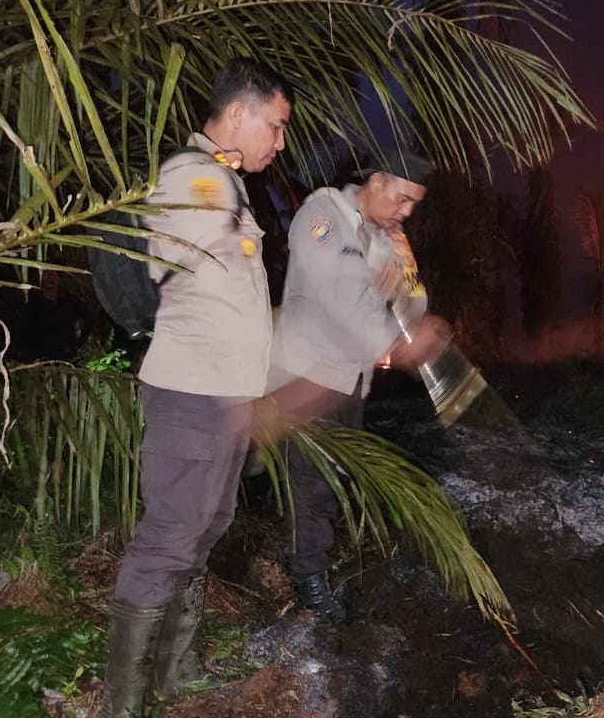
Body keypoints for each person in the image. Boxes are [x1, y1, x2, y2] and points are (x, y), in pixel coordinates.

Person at [102, 57, 291, 717]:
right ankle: (123, 702)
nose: (281, 141)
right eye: (276, 124)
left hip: (225, 400)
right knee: (170, 536)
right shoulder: (195, 181)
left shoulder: (228, 186)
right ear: (238, 114)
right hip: (191, 396)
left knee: (206, 526)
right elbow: (146, 271)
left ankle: (176, 666)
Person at [262, 146, 451, 623]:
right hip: (308, 376)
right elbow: (334, 300)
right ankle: (308, 580)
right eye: (404, 199)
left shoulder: (387, 237)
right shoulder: (322, 216)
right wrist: (395, 341)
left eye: (414, 205)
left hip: (350, 380)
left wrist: (411, 313)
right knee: (312, 482)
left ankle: (305, 559)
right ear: (377, 181)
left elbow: (410, 301)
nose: (406, 212)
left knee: (336, 476)